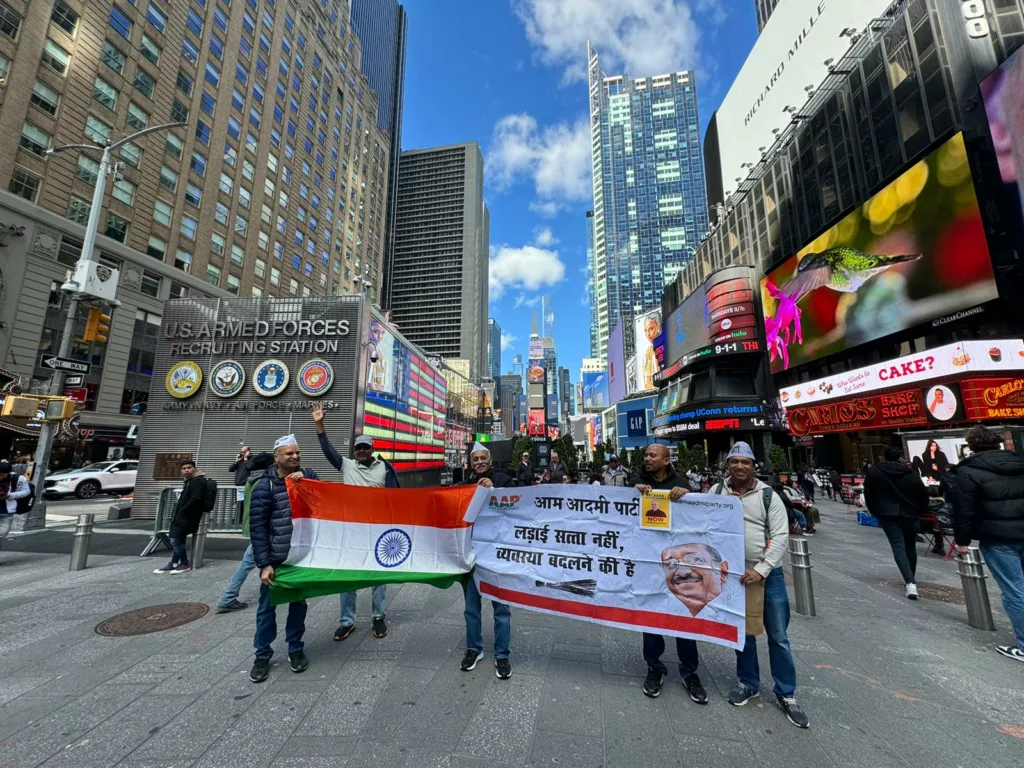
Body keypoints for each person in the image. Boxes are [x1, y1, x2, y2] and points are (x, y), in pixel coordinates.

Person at [696, 442, 808, 728]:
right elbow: (698, 518)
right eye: (734, 462)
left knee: (778, 636)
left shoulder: (768, 496)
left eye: (745, 462)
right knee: (742, 633)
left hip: (767, 577)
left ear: (754, 466)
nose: (739, 467)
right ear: (728, 466)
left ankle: (786, 693)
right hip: (733, 575)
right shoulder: (716, 492)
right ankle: (748, 682)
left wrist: (762, 569)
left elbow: (781, 536)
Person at [312, 404, 398, 640]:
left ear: (372, 449)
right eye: (358, 447)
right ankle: (347, 621)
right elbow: (328, 451)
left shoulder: (384, 468)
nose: (361, 451)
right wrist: (320, 425)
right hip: (351, 529)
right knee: (348, 574)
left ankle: (378, 617)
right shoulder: (347, 465)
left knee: (379, 574)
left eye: (365, 447)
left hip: (379, 528)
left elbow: (395, 497)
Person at [631, 444, 706, 705]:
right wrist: (634, 491)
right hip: (648, 562)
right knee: (652, 617)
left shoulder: (680, 482)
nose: (647, 459)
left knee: (684, 615)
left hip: (678, 564)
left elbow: (697, 516)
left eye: (652, 455)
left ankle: (690, 671)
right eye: (646, 455)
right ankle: (654, 667)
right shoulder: (636, 481)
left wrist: (687, 494)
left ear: (666, 460)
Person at [248, 434, 319, 683]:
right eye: (289, 453)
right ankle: (262, 655)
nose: (295, 457)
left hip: (300, 558)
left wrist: (307, 482)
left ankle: (295, 649)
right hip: (276, 561)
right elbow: (258, 527)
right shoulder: (263, 486)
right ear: (277, 457)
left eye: (297, 452)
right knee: (266, 609)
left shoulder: (308, 475)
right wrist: (264, 563)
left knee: (298, 605)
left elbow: (323, 502)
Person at [951, 425, 1024, 664]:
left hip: (998, 537)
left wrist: (962, 542)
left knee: (1014, 589)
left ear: (971, 446)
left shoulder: (969, 471)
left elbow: (964, 510)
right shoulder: (1020, 463)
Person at [462, 442, 516, 679]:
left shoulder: (505, 481)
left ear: (490, 461)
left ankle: (502, 654)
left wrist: (494, 491)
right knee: (471, 608)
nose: (480, 463)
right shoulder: (463, 485)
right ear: (471, 463)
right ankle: (474, 648)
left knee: (501, 608)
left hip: (496, 555)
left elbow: (517, 510)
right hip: (471, 555)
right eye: (476, 460)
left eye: (484, 458)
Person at [863, 446, 930, 599]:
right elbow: (922, 494)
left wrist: (875, 511)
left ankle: (910, 581)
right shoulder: (910, 473)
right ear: (900, 456)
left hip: (887, 513)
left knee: (898, 546)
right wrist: (919, 510)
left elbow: (869, 494)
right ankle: (910, 578)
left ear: (884, 456)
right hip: (909, 513)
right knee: (910, 545)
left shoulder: (875, 471)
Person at [215, 449, 275, 613]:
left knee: (248, 562)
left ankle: (228, 597)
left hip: (253, 527)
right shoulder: (264, 482)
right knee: (247, 563)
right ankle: (227, 597)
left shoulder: (250, 481)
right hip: (262, 530)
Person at [154, 460, 208, 575]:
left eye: (189, 467)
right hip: (184, 515)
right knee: (179, 539)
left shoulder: (197, 481)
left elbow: (196, 499)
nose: (186, 470)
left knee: (175, 539)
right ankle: (174, 563)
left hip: (188, 516)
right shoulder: (189, 481)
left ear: (195, 469)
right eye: (184, 468)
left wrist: (182, 511)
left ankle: (185, 563)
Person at [0, 460, 31, 558]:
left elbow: (27, 492)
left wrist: (10, 496)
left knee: (2, 533)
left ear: (8, 473)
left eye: (2, 475)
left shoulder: (19, 479)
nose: (0, 477)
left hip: (6, 512)